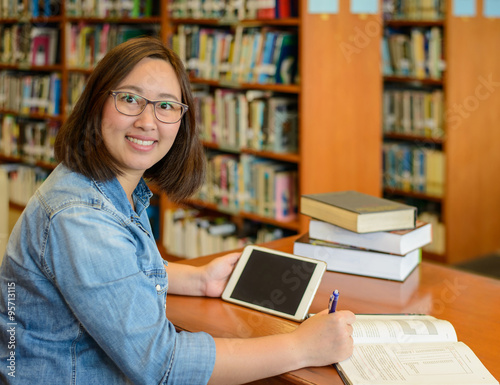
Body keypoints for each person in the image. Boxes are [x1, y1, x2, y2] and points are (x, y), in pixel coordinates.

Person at [0, 36, 355, 384]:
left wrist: (198, 280)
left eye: (166, 106)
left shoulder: (103, 185)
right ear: (96, 103)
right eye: (129, 99)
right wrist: (302, 347)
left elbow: (117, 271)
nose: (147, 121)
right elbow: (162, 365)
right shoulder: (80, 217)